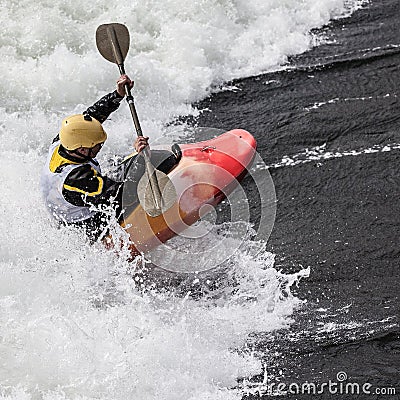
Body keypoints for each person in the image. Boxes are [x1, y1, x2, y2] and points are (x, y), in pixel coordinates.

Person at [41, 75, 179, 241]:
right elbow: (124, 196)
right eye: (97, 145)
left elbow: (92, 116)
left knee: (145, 162)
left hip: (82, 202)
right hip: (87, 227)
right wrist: (141, 155)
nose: (100, 147)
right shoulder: (76, 178)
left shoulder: (64, 141)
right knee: (144, 166)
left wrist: (117, 95)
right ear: (83, 150)